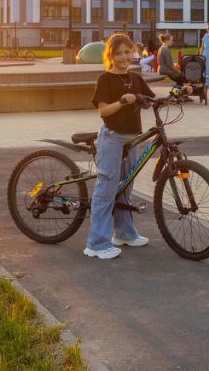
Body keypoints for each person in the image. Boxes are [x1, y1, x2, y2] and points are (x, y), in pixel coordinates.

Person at [84, 33, 157, 260]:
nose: (124, 57)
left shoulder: (135, 78)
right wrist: (122, 101)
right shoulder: (105, 79)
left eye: (128, 52)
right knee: (106, 187)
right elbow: (103, 110)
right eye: (119, 53)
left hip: (132, 138)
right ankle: (97, 244)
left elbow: (150, 99)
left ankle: (124, 233)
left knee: (126, 186)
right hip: (112, 136)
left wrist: (180, 91)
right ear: (111, 56)